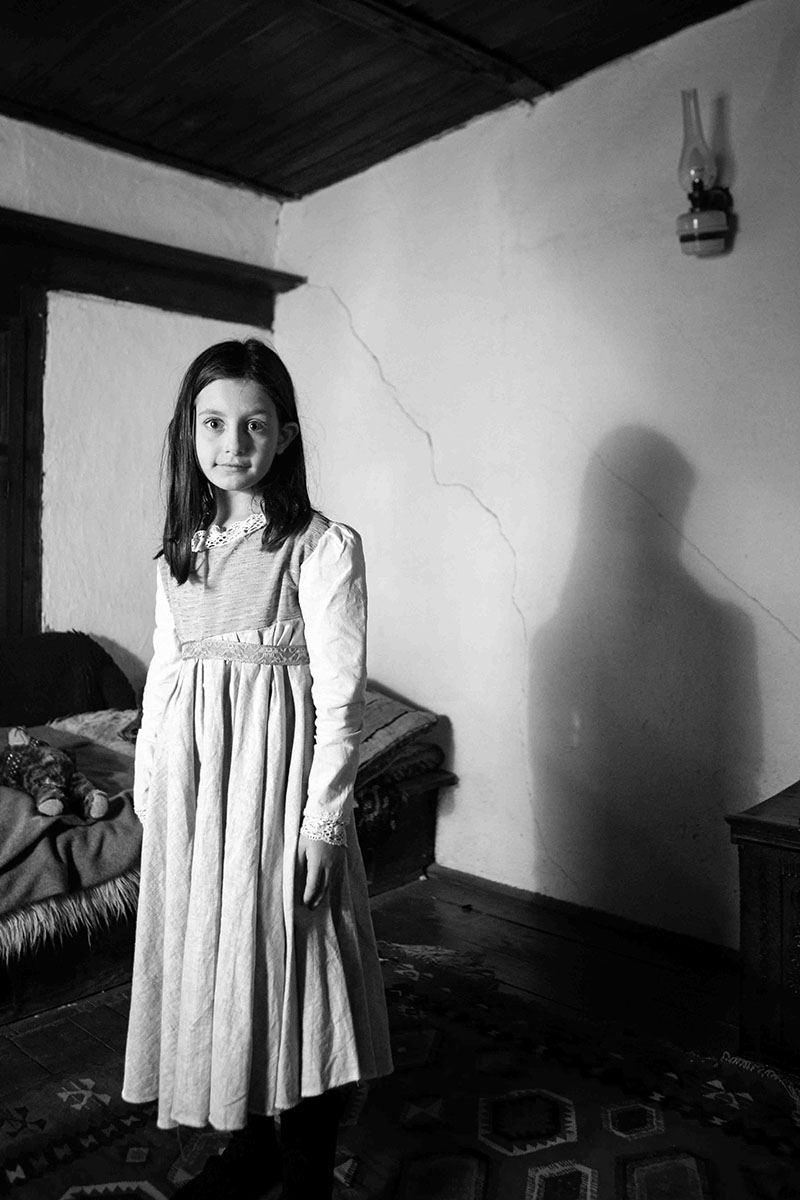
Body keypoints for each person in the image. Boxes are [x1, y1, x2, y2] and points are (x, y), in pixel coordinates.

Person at [122, 338, 393, 1199]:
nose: (232, 443)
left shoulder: (320, 546)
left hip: (277, 791)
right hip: (200, 795)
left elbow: (341, 701)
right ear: (189, 432)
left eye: (253, 424)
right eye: (212, 423)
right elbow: (164, 682)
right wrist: (153, 794)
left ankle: (306, 1168)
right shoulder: (178, 554)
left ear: (285, 435)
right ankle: (247, 1145)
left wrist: (323, 823)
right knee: (220, 963)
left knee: (294, 962)